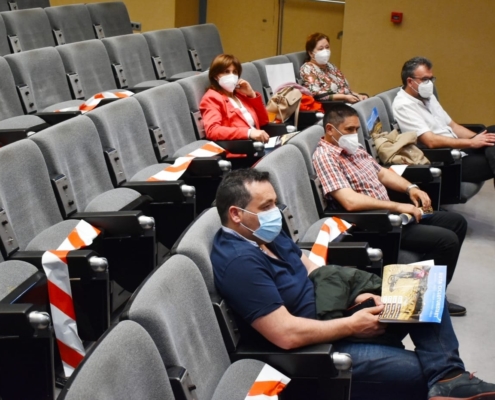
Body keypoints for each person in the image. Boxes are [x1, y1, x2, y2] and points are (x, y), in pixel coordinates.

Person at [211, 168, 495, 400]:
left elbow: (308, 266)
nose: (275, 212)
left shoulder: (261, 233)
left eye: (274, 202)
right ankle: (444, 380)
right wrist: (352, 324)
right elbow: (286, 335)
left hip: (331, 312)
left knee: (425, 288)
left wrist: (356, 295)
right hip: (316, 347)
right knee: (421, 373)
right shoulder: (240, 262)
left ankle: (449, 377)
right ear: (236, 214)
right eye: (267, 206)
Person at [312, 104, 468, 316]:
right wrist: (397, 205)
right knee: (446, 240)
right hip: (372, 223)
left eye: (357, 129)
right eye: (349, 130)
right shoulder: (326, 157)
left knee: (457, 222)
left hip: (392, 215)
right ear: (330, 129)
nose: (354, 135)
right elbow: (349, 201)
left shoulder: (354, 149)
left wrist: (410, 187)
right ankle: (428, 299)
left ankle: (430, 289)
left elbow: (382, 174)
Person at [393, 56, 495, 184]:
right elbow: (430, 141)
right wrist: (471, 143)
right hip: (445, 159)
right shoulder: (404, 105)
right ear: (410, 81)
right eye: (425, 79)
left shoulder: (427, 96)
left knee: (492, 131)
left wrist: (480, 140)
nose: (429, 83)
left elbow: (453, 126)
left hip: (458, 149)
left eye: (431, 79)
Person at [199, 54, 270, 144]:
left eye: (235, 72)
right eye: (226, 72)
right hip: (240, 149)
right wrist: (248, 132)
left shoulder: (240, 94)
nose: (231, 75)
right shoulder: (211, 98)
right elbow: (212, 130)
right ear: (215, 76)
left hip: (258, 144)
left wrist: (252, 94)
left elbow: (263, 121)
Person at [300, 32, 368, 103]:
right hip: (333, 106)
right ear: (311, 53)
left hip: (347, 101)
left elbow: (344, 88)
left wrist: (358, 95)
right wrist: (344, 97)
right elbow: (316, 95)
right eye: (321, 49)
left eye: (327, 47)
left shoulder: (331, 66)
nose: (325, 51)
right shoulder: (308, 68)